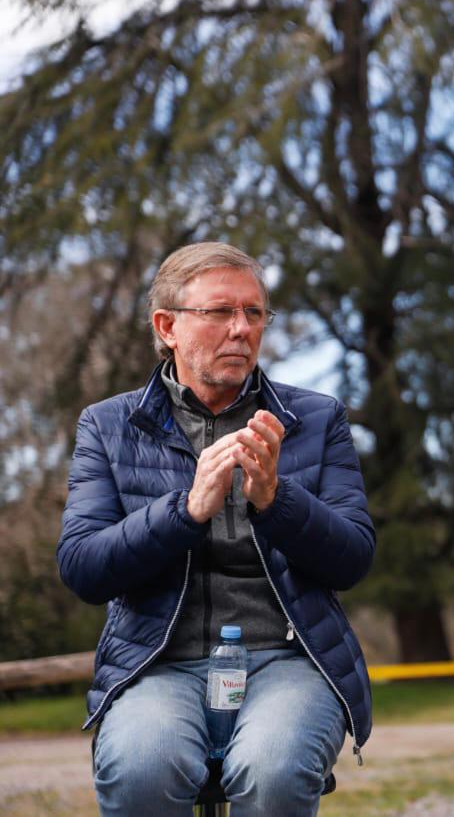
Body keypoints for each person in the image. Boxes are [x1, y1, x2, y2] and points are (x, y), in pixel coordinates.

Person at [58, 242, 376, 816]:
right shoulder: (107, 425)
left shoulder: (316, 418)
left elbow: (353, 559)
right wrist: (184, 511)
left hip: (288, 662)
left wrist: (277, 501)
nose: (242, 329)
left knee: (274, 771)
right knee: (140, 770)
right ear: (168, 326)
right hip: (157, 665)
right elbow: (83, 567)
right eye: (220, 312)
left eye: (254, 313)